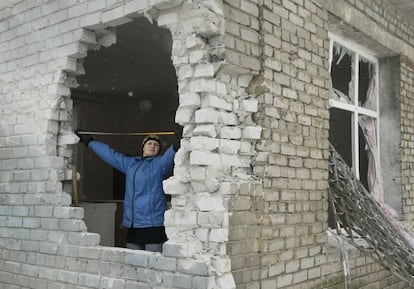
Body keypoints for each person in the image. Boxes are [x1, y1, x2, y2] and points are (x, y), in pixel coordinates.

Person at [75, 128, 182, 252]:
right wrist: (90, 142)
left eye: (156, 145)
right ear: (143, 147)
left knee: (154, 264)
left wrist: (176, 144)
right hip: (133, 225)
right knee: (134, 263)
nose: (152, 146)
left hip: (154, 225)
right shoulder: (130, 164)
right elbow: (110, 155)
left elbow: (170, 155)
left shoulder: (159, 165)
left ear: (158, 150)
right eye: (149, 143)